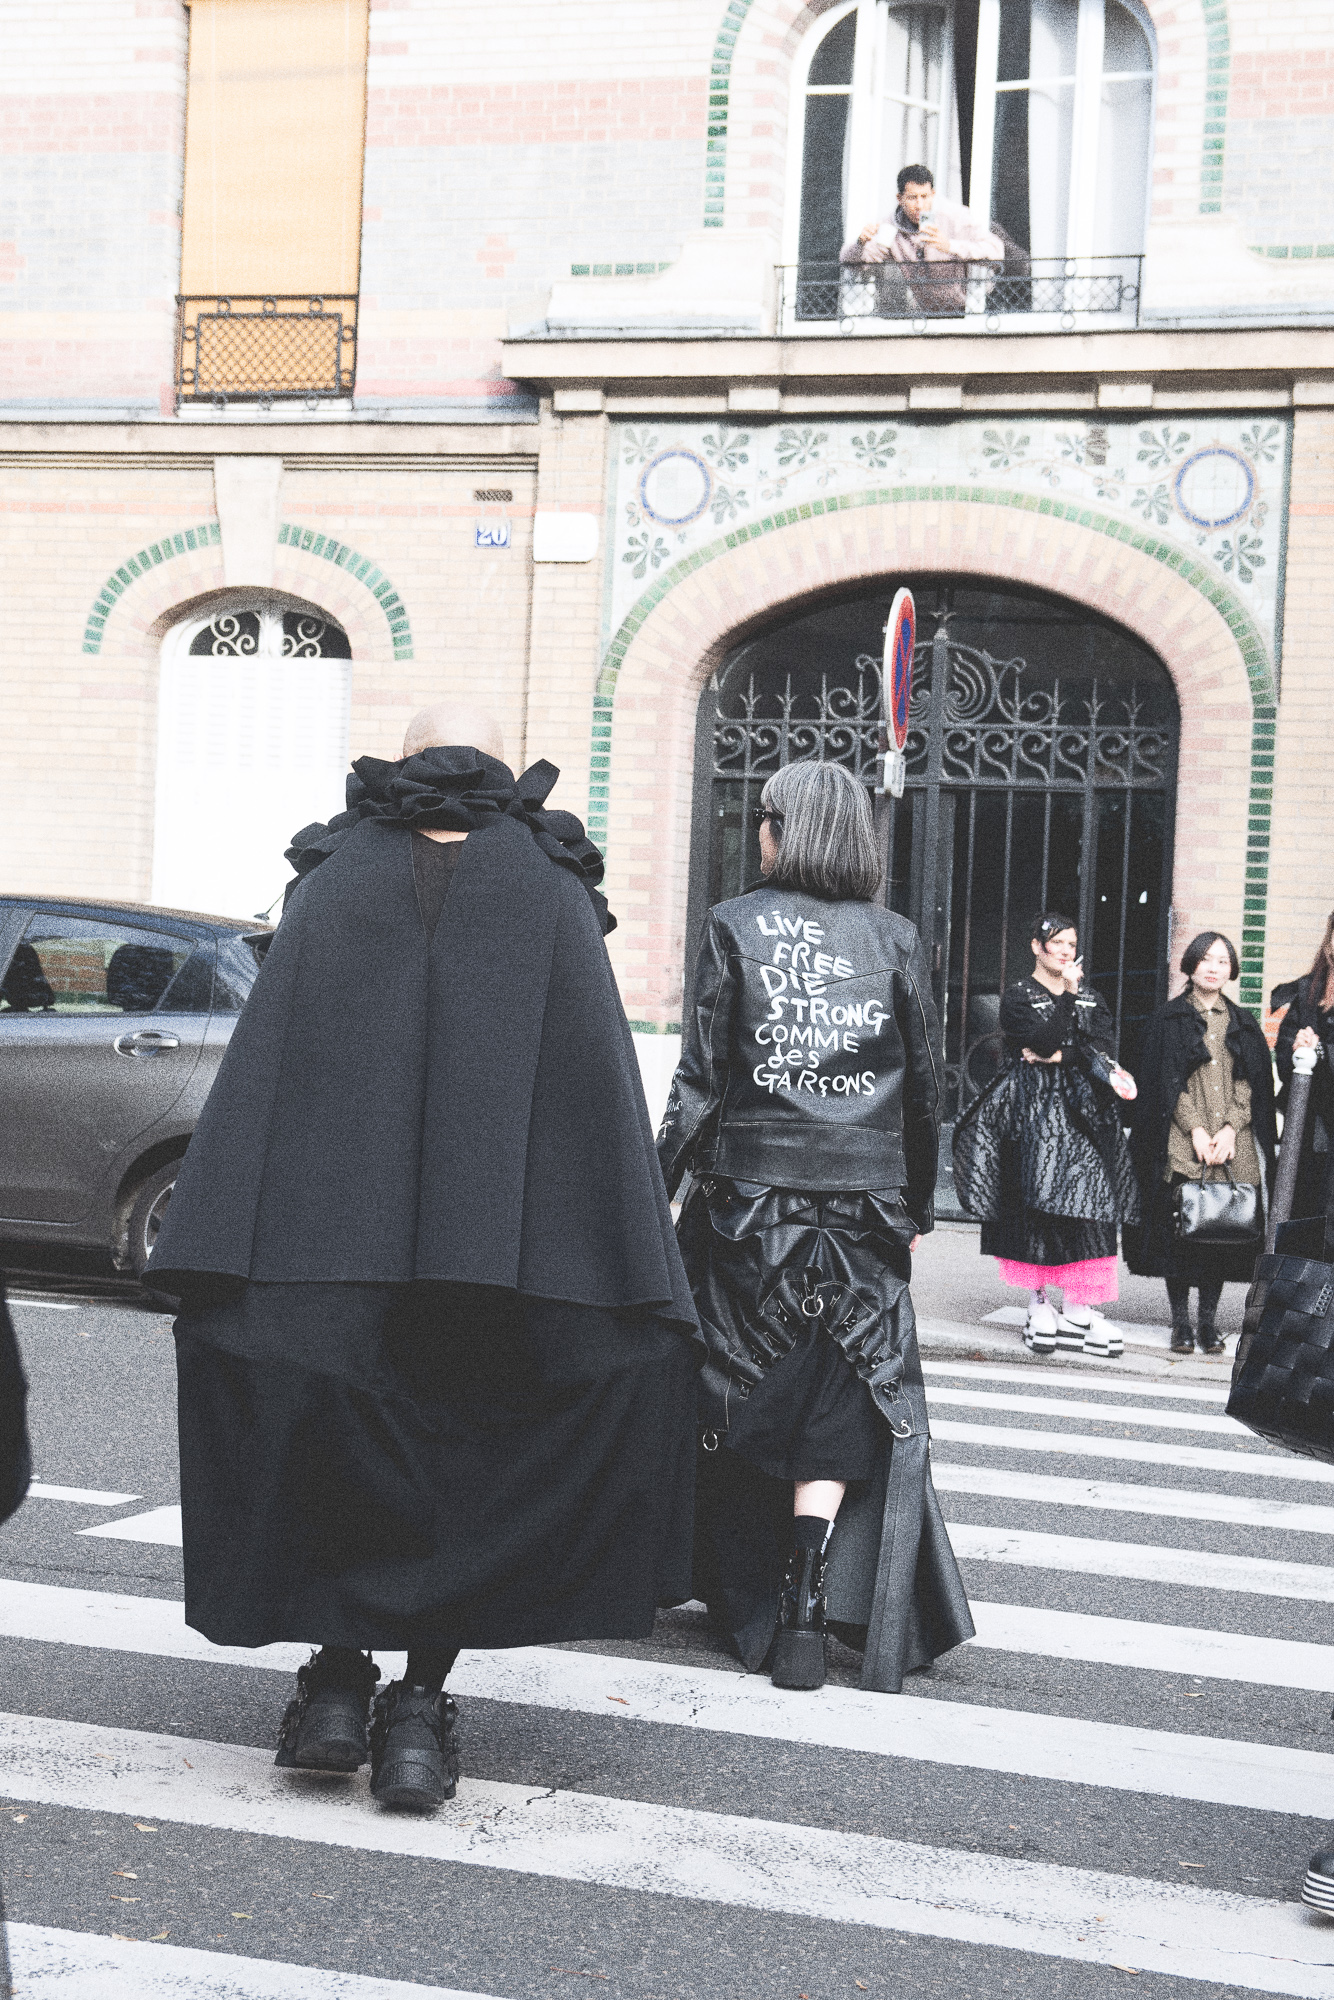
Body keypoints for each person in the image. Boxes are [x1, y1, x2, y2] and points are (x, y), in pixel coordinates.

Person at [148, 701, 700, 1810]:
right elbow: (587, 1095)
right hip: (499, 1256)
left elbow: (272, 1071)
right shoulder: (550, 886)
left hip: (323, 1247)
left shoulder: (334, 878)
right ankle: (413, 1713)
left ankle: (336, 1684)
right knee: (470, 1465)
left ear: (398, 763)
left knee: (333, 1450)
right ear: (502, 766)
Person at [657, 759, 973, 1695]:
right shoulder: (896, 936)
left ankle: (740, 1585)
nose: (758, 832)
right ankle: (805, 1591)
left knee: (739, 1386)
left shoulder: (733, 925)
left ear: (783, 828)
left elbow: (700, 1084)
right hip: (865, 1204)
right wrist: (916, 1204)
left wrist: (652, 1189)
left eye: (764, 817)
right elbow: (924, 1090)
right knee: (840, 1394)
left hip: (752, 1205)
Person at [952, 914, 1140, 1360]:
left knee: (1091, 1201)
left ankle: (1079, 1305)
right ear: (1038, 947)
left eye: (1072, 943)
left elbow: (1100, 1049)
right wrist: (1067, 1006)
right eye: (1057, 942)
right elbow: (1038, 1040)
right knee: (1032, 1200)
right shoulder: (1020, 995)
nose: (1066, 950)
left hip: (1087, 1113)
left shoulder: (1093, 998)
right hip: (1032, 1111)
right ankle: (1037, 1301)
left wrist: (1060, 1054)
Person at [1125, 931, 1276, 1354]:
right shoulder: (1168, 1019)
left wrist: (1229, 1129)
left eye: (1223, 961)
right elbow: (1166, 1082)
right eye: (1207, 959)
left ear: (1231, 971)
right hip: (1181, 1137)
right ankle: (1181, 1323)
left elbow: (1251, 1083)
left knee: (1220, 1234)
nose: (1214, 968)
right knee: (1180, 1232)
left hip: (1232, 1141)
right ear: (1191, 965)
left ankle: (1208, 1323)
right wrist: (1195, 1130)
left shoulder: (1243, 1023)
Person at [839, 163, 1004, 316]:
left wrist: (950, 246)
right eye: (912, 198)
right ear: (899, 198)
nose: (919, 205)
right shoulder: (890, 226)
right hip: (927, 315)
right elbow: (849, 261)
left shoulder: (955, 216)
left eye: (925, 196)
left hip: (973, 312)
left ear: (933, 194)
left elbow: (996, 250)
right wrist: (860, 244)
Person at [1273, 911, 1334, 1248]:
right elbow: (1284, 1056)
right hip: (1309, 1126)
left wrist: (1322, 1051)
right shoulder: (1308, 993)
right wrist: (1298, 1046)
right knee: (1302, 1212)